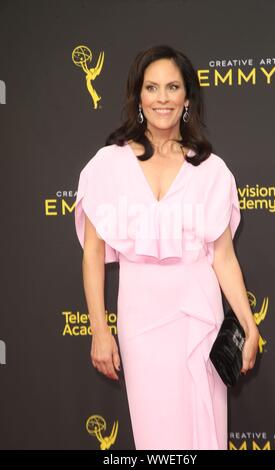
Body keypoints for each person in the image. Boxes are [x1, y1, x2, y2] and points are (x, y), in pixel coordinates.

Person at [74, 44, 259, 450]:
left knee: (203, 428)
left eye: (172, 87)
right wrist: (99, 331)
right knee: (155, 435)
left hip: (199, 317)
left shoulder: (211, 170)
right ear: (138, 97)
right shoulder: (107, 165)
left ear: (187, 97)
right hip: (141, 320)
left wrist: (248, 321)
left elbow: (223, 257)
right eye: (152, 87)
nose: (162, 98)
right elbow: (92, 254)